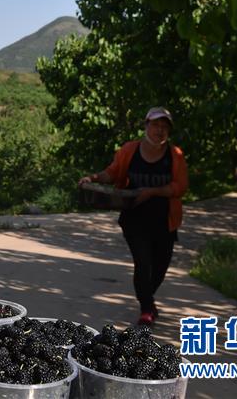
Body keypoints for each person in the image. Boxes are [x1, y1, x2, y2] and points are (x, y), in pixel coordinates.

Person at [78, 107, 188, 326]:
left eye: (165, 127)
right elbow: (113, 172)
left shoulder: (175, 155)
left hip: (165, 220)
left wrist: (152, 191)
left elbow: (180, 187)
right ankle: (146, 309)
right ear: (146, 125)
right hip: (135, 218)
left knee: (160, 267)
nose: (160, 130)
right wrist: (93, 178)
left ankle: (148, 298)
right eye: (156, 125)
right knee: (143, 262)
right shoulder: (130, 150)